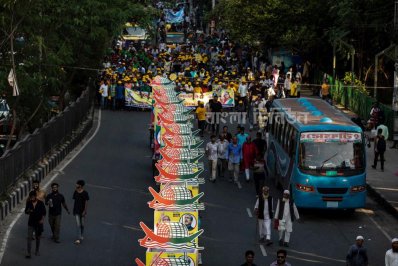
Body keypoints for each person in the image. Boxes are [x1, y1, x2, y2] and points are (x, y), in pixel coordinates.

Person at [25, 191, 46, 258]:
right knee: (29, 238)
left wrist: (42, 220)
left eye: (33, 197)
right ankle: (28, 253)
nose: (32, 198)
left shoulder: (41, 203)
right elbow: (26, 211)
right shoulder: (29, 203)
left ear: (35, 197)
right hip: (31, 223)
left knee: (38, 238)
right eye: (31, 197)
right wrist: (29, 211)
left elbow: (44, 213)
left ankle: (37, 250)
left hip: (38, 223)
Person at [73, 180, 89, 244]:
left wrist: (85, 211)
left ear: (80, 185)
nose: (76, 185)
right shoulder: (75, 192)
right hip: (76, 210)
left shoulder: (85, 193)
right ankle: (78, 238)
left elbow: (86, 202)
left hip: (82, 211)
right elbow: (74, 199)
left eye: (77, 184)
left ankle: (81, 234)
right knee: (78, 224)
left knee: (82, 224)